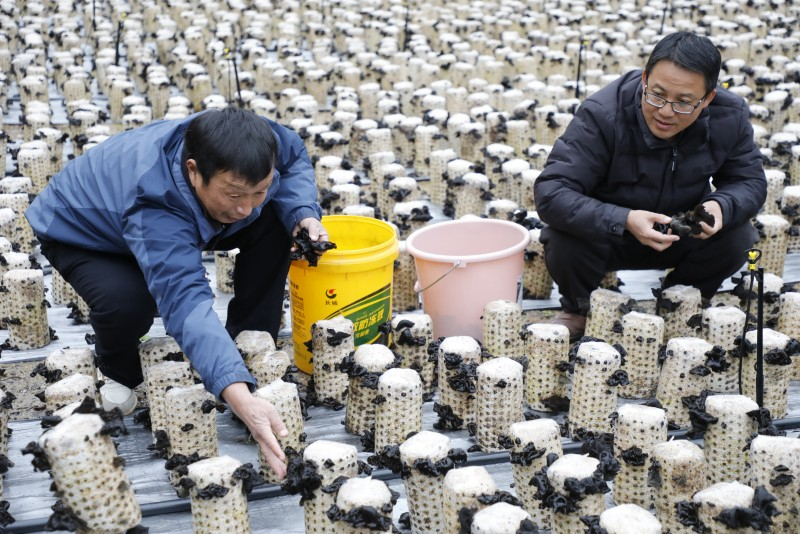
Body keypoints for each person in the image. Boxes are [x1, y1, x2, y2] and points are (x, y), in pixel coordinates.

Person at [26, 106, 328, 478]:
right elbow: (186, 302)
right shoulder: (155, 203)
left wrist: (303, 213)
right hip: (84, 234)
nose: (247, 207)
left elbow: (295, 155)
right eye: (233, 193)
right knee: (129, 303)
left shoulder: (261, 142)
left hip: (151, 217)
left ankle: (252, 342)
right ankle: (119, 370)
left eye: (260, 190)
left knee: (278, 223)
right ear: (192, 170)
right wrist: (236, 395)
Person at [534, 32, 767, 340]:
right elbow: (552, 192)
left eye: (684, 102)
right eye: (656, 95)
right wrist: (624, 219)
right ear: (644, 79)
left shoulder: (730, 115)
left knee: (740, 235)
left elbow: (749, 181)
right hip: (611, 233)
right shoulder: (603, 113)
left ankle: (680, 303)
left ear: (708, 98)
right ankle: (579, 308)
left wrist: (720, 206)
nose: (666, 111)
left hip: (681, 230)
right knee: (562, 238)